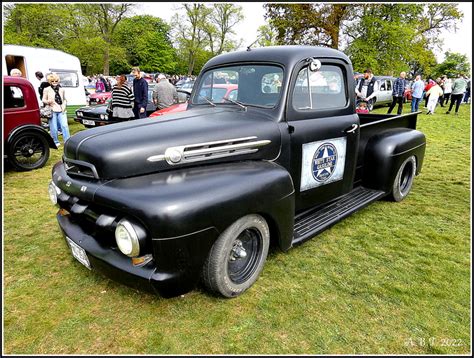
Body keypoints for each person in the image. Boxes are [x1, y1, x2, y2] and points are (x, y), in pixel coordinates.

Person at [42, 73, 70, 146]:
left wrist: (64, 105)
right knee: (53, 127)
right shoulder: (46, 89)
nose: (54, 82)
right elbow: (43, 99)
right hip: (52, 110)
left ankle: (67, 140)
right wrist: (48, 101)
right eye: (53, 81)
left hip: (61, 109)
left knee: (64, 125)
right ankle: (55, 141)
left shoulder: (62, 89)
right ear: (50, 81)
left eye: (56, 81)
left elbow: (64, 99)